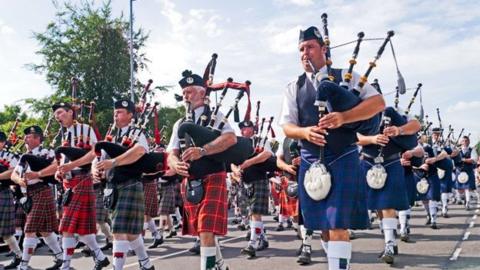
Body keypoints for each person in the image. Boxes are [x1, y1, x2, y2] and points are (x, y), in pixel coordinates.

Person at [279, 26, 385, 270]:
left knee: (338, 225)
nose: (305, 53)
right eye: (301, 49)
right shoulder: (293, 87)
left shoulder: (346, 76)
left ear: (323, 49)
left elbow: (378, 103)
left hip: (343, 157)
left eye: (310, 47)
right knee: (324, 227)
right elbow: (287, 126)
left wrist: (344, 117)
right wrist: (304, 132)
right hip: (310, 161)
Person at [167, 70, 236, 270]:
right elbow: (172, 153)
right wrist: (175, 164)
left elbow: (230, 138)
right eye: (184, 93)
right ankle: (220, 265)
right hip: (191, 181)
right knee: (203, 231)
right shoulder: (179, 123)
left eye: (189, 92)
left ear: (201, 93)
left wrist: (204, 150)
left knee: (206, 229)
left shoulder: (216, 117)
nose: (185, 96)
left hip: (213, 175)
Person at [94, 99, 154, 270]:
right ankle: (146, 264)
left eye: (120, 112)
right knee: (132, 234)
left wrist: (113, 162)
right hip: (112, 187)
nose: (115, 114)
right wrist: (95, 169)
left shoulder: (137, 132)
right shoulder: (111, 135)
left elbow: (139, 151)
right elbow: (99, 156)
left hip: (129, 184)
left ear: (130, 115)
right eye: (115, 111)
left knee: (118, 232)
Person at [357, 109, 420, 264]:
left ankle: (389, 245)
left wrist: (399, 129)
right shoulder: (360, 114)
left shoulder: (393, 113)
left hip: (391, 162)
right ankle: (389, 238)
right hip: (368, 162)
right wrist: (372, 139)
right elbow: (354, 137)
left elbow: (416, 125)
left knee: (387, 204)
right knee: (378, 206)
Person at [53, 102, 110, 269]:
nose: (58, 117)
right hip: (68, 182)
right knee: (78, 228)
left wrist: (71, 166)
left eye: (61, 112)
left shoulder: (85, 129)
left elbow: (94, 152)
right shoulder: (65, 135)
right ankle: (99, 257)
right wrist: (59, 171)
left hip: (81, 179)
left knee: (67, 227)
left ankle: (65, 265)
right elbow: (64, 159)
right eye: (56, 114)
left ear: (71, 112)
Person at [11, 125, 63, 270]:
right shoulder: (23, 156)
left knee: (29, 229)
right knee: (45, 230)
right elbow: (13, 174)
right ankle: (61, 257)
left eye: (29, 137)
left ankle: (23, 265)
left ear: (37, 138)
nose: (25, 139)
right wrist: (19, 180)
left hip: (42, 190)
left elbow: (56, 166)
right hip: (28, 194)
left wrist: (37, 174)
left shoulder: (46, 152)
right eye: (26, 136)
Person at [231, 119, 274, 258]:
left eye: (247, 128)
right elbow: (232, 161)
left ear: (253, 129)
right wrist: (235, 170)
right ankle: (263, 238)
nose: (244, 131)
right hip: (245, 181)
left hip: (259, 179)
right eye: (242, 129)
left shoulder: (261, 141)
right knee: (250, 213)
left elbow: (267, 154)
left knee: (255, 212)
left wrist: (249, 162)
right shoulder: (238, 144)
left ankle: (253, 243)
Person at [0, 131, 23, 269]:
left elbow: (14, 171)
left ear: (2, 142)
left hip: (3, 193)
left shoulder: (9, 155)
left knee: (6, 233)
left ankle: (19, 255)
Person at [452, 135, 478, 210]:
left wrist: (463, 159)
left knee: (467, 188)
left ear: (469, 142)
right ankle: (463, 198)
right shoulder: (457, 150)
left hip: (468, 171)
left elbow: (474, 160)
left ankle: (468, 203)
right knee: (460, 190)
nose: (465, 142)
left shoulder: (472, 150)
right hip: (459, 171)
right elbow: (452, 159)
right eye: (463, 141)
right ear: (461, 142)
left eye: (466, 141)